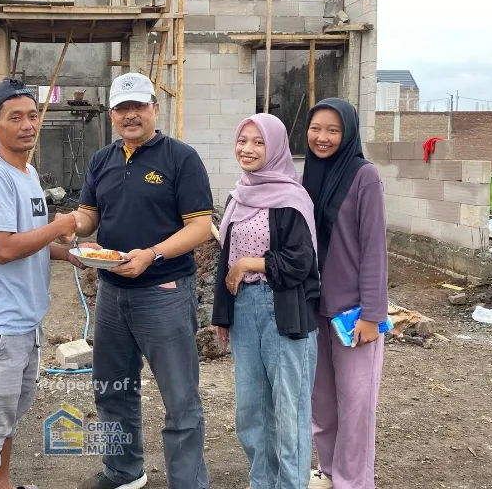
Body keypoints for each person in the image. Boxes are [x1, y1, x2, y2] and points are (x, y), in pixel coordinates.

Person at [68, 72, 214, 489]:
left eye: (138, 106)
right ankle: (123, 472)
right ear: (112, 113)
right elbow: (91, 215)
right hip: (113, 293)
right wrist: (72, 228)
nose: (130, 115)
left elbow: (201, 227)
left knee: (180, 399)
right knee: (112, 388)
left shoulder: (180, 158)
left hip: (164, 291)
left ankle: (187, 483)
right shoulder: (103, 160)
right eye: (121, 108)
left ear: (154, 108)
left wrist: (152, 254)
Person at [0, 78, 84, 489]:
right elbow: (3, 249)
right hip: (2, 325)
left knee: (9, 415)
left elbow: (29, 241)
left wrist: (71, 253)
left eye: (33, 115)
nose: (27, 125)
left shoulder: (28, 172)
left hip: (26, 321)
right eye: (15, 117)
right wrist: (61, 225)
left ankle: (2, 484)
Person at [211, 113, 320, 489]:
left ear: (274, 148)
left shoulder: (291, 198)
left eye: (258, 142)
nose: (248, 149)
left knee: (288, 412)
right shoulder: (238, 196)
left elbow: (301, 260)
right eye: (243, 140)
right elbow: (223, 260)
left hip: (284, 311)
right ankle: (262, 483)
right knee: (251, 411)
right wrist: (221, 314)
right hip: (244, 311)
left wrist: (249, 264)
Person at [302, 98, 388, 489]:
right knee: (322, 402)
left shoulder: (363, 175)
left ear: (348, 132)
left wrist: (372, 314)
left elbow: (374, 250)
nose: (322, 137)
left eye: (333, 130)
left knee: (356, 405)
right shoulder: (310, 172)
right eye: (316, 128)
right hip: (314, 307)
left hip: (353, 313)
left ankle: (354, 482)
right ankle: (331, 471)